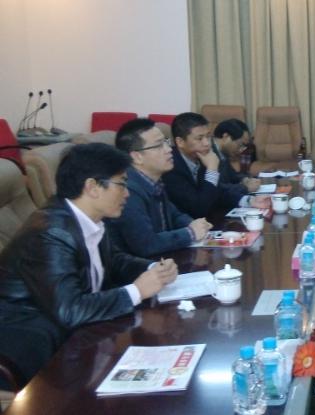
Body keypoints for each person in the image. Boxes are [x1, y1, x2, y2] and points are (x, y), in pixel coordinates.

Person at [0, 143, 178, 384]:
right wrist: (136, 291)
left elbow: (113, 260)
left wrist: (152, 269)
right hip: (33, 343)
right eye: (122, 184)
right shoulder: (51, 233)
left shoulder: (89, 218)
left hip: (77, 332)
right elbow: (70, 311)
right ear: (92, 187)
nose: (127, 193)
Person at [109, 118, 213, 257]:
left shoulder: (154, 180)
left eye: (166, 142)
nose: (169, 149)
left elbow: (174, 215)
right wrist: (190, 233)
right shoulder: (127, 190)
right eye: (159, 145)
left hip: (163, 260)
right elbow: (146, 244)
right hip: (140, 267)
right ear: (137, 157)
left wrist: (194, 224)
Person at [163, 112, 270, 218]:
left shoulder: (201, 156)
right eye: (199, 138)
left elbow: (219, 192)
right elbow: (199, 209)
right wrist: (212, 169)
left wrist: (249, 200)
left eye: (208, 136)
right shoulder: (171, 167)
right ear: (180, 142)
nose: (207, 143)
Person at [212, 118, 261, 192]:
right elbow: (217, 188)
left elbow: (231, 175)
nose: (241, 150)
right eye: (241, 145)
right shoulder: (208, 152)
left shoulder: (222, 153)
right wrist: (245, 188)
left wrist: (245, 179)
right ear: (226, 137)